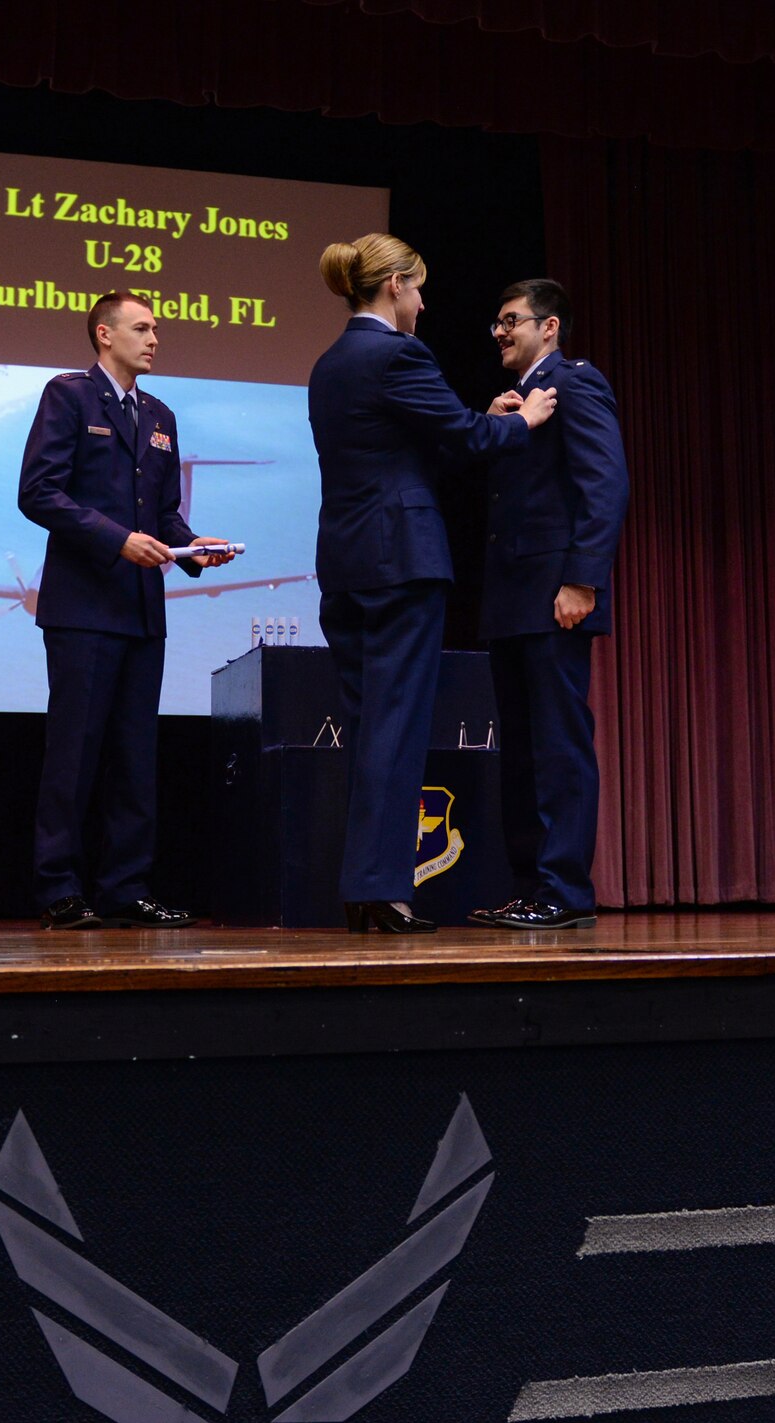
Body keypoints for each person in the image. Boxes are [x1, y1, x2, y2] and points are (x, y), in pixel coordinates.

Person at [308, 234, 555, 934]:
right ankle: (385, 890)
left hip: (346, 564)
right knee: (397, 727)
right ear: (392, 286)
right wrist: (522, 420)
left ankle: (364, 888)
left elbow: (411, 449)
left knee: (366, 731)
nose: (422, 303)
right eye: (417, 289)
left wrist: (482, 422)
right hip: (402, 563)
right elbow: (465, 440)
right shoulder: (398, 353)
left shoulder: (329, 364)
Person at [17, 291, 235, 930]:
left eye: (157, 328)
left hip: (142, 611)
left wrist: (196, 549)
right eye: (141, 328)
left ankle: (125, 887)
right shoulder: (68, 396)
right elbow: (38, 493)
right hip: (83, 608)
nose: (154, 338)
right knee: (74, 754)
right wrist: (116, 538)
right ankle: (59, 886)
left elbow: (163, 515)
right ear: (104, 335)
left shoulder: (161, 413)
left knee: (136, 757)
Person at [469, 277, 629, 931]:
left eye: (512, 320)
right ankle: (531, 884)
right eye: (498, 322)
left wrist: (583, 580)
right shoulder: (519, 400)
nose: (501, 331)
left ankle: (566, 890)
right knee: (524, 749)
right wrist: (496, 428)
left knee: (560, 746)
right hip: (512, 599)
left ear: (549, 327)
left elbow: (606, 483)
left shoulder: (575, 383)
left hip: (556, 596)